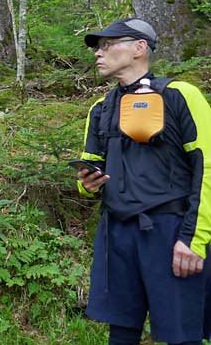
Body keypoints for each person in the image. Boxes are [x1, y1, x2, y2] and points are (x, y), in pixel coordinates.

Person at [76, 18, 211, 345]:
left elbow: (206, 166)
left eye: (108, 45)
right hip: (116, 234)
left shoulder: (180, 95)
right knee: (121, 331)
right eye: (97, 47)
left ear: (140, 48)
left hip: (170, 231)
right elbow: (88, 172)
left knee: (181, 335)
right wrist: (87, 183)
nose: (99, 53)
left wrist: (194, 238)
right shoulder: (100, 108)